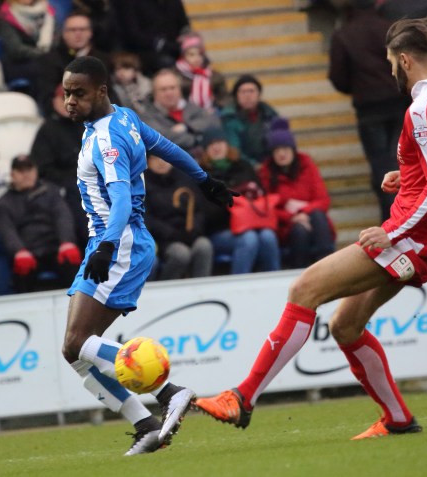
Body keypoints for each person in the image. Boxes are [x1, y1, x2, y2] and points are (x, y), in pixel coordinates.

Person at [196, 17, 427, 440]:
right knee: (345, 326)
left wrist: (394, 232)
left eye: (391, 63)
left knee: (304, 289)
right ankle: (397, 419)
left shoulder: (422, 110)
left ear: (404, 60)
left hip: (410, 239)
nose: (392, 72)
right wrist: (408, 175)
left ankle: (242, 397)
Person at [59, 56, 237, 455]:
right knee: (75, 351)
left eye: (79, 94)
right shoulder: (123, 117)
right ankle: (145, 425)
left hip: (117, 243)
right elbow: (167, 147)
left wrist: (107, 245)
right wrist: (204, 179)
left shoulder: (107, 138)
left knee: (78, 342)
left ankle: (169, 391)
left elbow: (121, 197)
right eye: (67, 93)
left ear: (101, 91)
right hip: (116, 241)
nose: (70, 101)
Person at [328, 0, 409, 222]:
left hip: (368, 109)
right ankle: (401, 218)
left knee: (381, 165)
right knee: (397, 161)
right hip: (399, 103)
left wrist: (357, 87)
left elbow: (338, 77)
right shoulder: (391, 30)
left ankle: (392, 219)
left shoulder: (343, 35)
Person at [0, 155, 82, 293]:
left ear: (35, 171)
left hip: (55, 248)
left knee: (74, 265)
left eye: (29, 170)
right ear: (12, 174)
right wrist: (18, 251)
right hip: (27, 252)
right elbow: (7, 231)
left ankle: (79, 303)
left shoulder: (51, 192)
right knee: (22, 272)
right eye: (21, 171)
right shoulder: (3, 203)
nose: (26, 175)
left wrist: (67, 242)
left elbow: (63, 216)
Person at [198, 127, 282, 275]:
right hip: (220, 230)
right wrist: (229, 204)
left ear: (227, 145)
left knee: (268, 236)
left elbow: (260, 195)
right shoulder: (201, 173)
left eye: (220, 142)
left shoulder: (243, 166)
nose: (216, 147)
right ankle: (239, 283)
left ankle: (275, 280)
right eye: (211, 144)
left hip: (252, 223)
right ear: (205, 150)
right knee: (249, 238)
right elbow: (204, 212)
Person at [259, 118, 335, 268]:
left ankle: (328, 265)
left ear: (292, 149)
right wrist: (292, 217)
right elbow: (266, 207)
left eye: (285, 149)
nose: (281, 154)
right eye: (276, 150)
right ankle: (300, 270)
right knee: (300, 231)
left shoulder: (307, 165)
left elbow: (323, 200)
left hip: (313, 220)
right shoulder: (266, 173)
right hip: (285, 226)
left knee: (318, 215)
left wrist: (302, 211)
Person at [30, 84, 87, 249]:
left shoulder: (87, 126)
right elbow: (42, 168)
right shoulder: (47, 130)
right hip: (65, 184)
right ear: (55, 101)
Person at [144, 154, 213, 280]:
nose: (162, 162)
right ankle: (167, 287)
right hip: (163, 239)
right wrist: (172, 234)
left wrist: (194, 229)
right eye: (156, 158)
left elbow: (199, 209)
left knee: (204, 246)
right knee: (180, 254)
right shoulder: (142, 183)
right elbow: (147, 218)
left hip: (190, 233)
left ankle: (201, 286)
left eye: (165, 158)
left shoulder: (184, 178)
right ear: (148, 161)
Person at [37, 11, 112, 114]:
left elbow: (108, 93)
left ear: (90, 33)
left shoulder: (104, 60)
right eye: (72, 30)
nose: (78, 34)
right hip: (63, 117)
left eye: (82, 29)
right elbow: (46, 96)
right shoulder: (49, 60)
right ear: (64, 34)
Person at [139, 68, 221, 157]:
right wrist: (197, 138)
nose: (169, 93)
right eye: (163, 89)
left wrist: (186, 127)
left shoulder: (193, 108)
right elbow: (162, 139)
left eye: (172, 88)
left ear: (180, 89)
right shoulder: (146, 116)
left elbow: (214, 123)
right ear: (154, 92)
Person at [111, 0, 190, 76]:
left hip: (174, 47)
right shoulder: (132, 3)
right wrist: (161, 44)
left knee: (192, 57)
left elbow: (184, 26)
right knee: (167, 62)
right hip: (145, 50)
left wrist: (185, 37)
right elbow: (133, 34)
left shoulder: (174, 2)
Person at [0, 0, 56, 98]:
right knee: (46, 70)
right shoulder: (6, 15)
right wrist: (43, 55)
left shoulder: (48, 13)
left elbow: (57, 40)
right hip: (18, 63)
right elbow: (16, 50)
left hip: (46, 58)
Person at [221, 74, 279, 168]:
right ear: (236, 96)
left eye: (251, 91)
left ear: (259, 95)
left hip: (271, 166)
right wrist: (256, 166)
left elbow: (279, 145)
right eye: (243, 92)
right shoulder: (229, 119)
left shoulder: (271, 115)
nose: (247, 95)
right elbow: (235, 150)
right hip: (242, 167)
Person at [175, 32, 229, 113]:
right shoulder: (176, 76)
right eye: (191, 55)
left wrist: (217, 107)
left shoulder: (214, 76)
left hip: (212, 113)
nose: (196, 58)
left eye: (200, 54)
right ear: (184, 57)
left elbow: (224, 97)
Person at [109, 51, 152, 115]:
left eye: (126, 68)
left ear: (135, 70)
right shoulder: (114, 90)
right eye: (118, 69)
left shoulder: (147, 85)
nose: (121, 72)